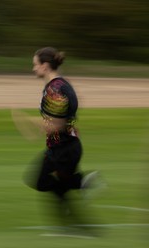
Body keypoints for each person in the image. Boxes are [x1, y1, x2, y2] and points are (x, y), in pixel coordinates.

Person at [21, 47, 102, 235]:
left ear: (45, 66)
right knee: (59, 189)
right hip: (65, 146)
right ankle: (78, 226)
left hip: (63, 149)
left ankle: (82, 182)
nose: (33, 69)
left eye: (35, 65)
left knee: (41, 181)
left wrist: (31, 122)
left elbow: (56, 125)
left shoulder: (54, 90)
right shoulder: (62, 84)